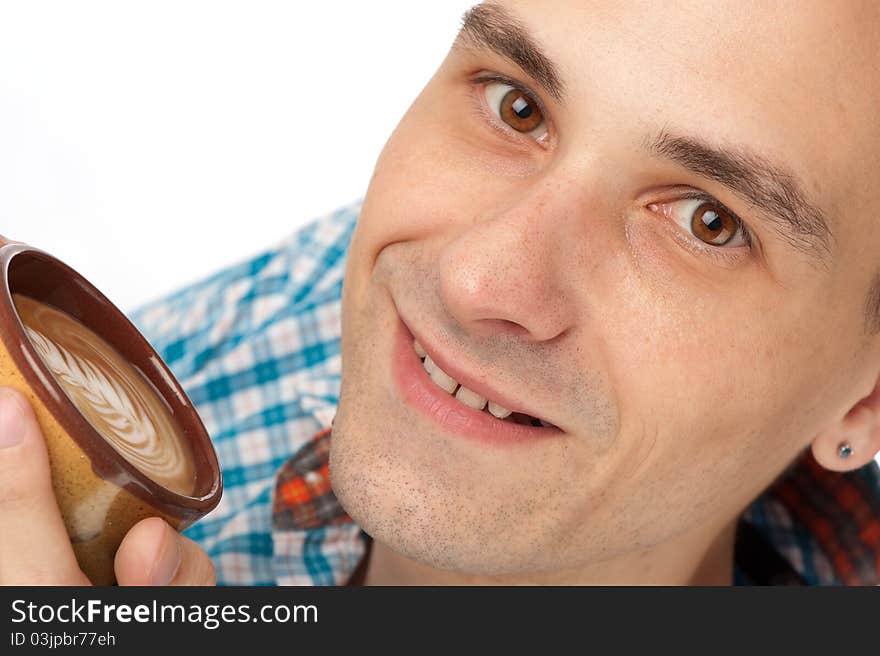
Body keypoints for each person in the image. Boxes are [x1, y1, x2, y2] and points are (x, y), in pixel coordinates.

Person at [1, 0, 879, 586]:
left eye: (706, 223)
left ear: (865, 402)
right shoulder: (209, 349)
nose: (475, 281)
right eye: (518, 107)